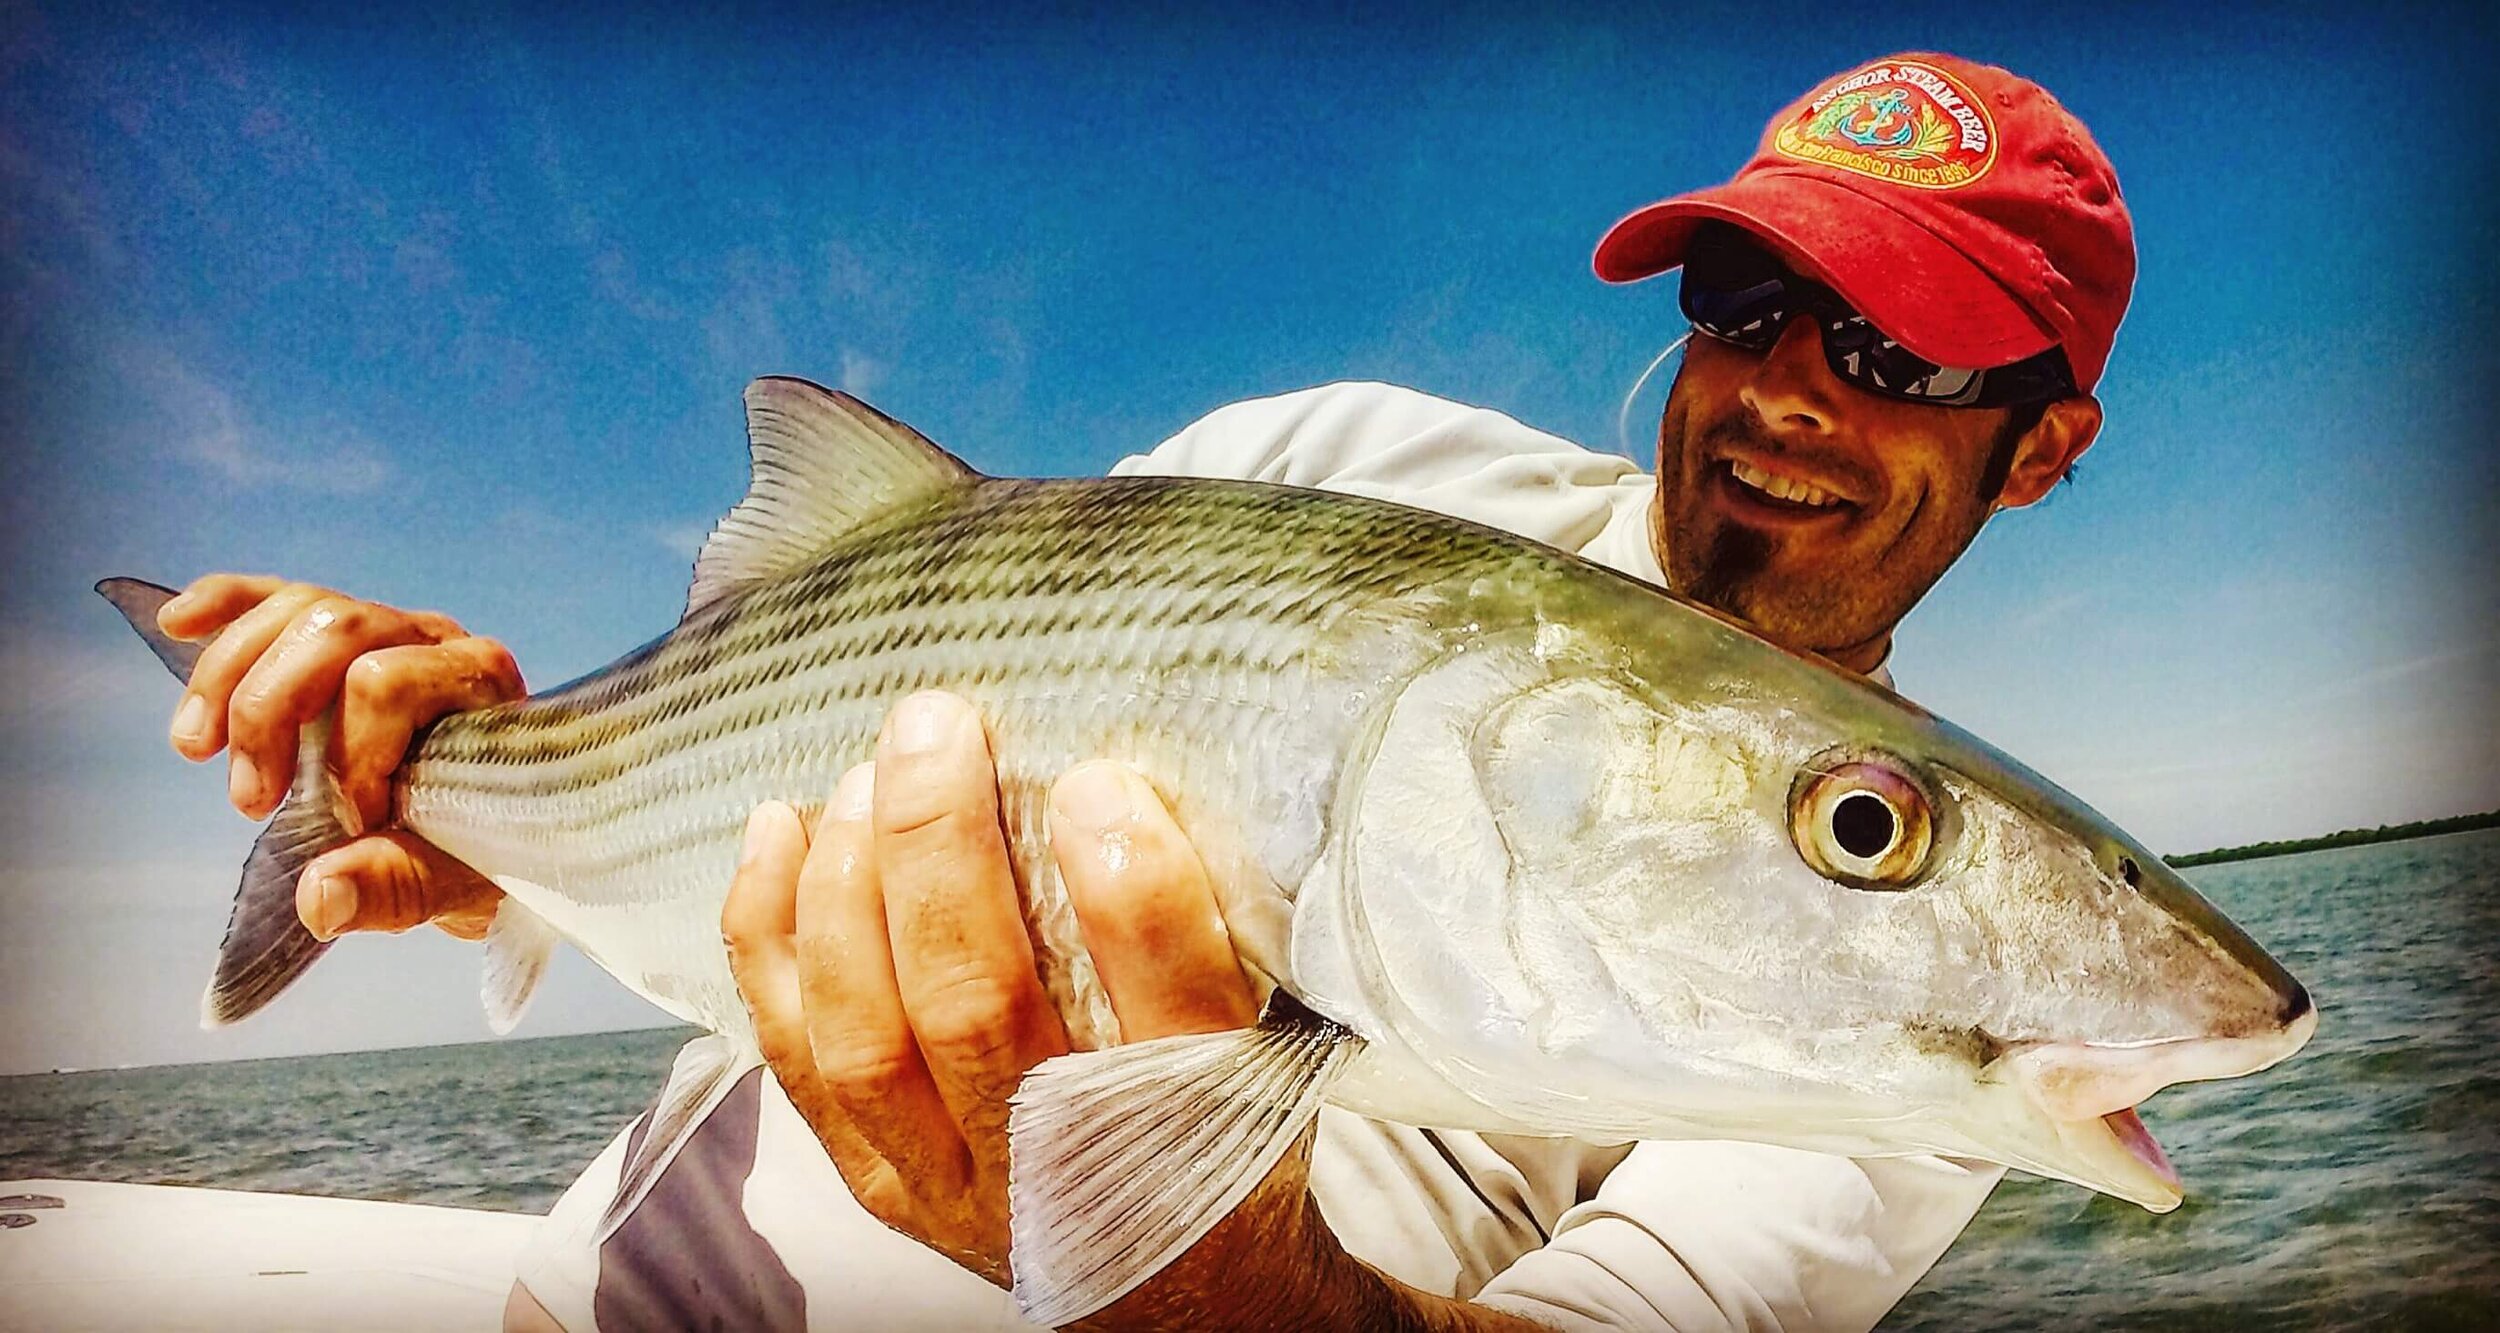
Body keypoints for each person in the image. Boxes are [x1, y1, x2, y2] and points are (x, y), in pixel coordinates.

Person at [153, 51, 2131, 1332]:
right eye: (1747, 301)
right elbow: (827, 738)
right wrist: (498, 822)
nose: (1787, 379)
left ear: (2036, 445)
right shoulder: (1345, 455)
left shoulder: (1945, 1021)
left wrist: (1163, 1256)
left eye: (1907, 351)